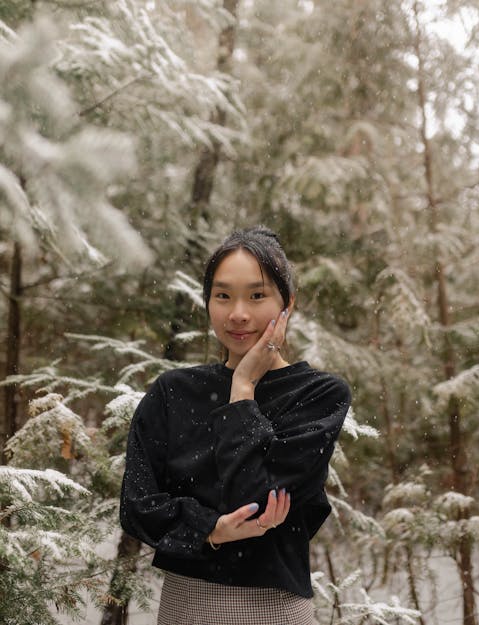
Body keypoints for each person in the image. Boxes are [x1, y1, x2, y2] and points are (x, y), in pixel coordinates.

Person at [120, 226, 351, 625]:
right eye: (223, 295)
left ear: (287, 305)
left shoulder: (317, 395)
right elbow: (138, 508)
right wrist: (211, 528)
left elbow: (255, 496)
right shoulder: (173, 392)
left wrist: (242, 388)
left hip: (276, 610)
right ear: (207, 301)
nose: (238, 313)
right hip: (184, 607)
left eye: (257, 295)